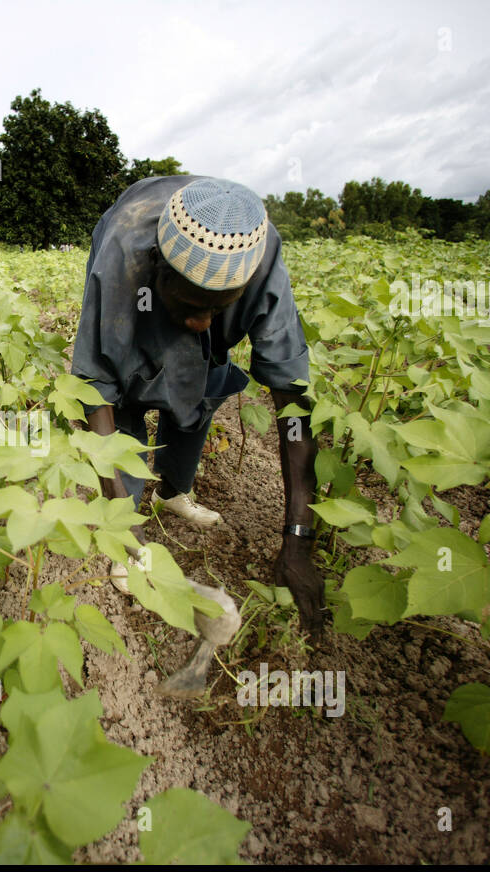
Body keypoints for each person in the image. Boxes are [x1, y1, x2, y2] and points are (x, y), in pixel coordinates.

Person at [70, 176, 327, 635]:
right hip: (131, 267)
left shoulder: (259, 257)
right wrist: (128, 535)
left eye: (217, 309)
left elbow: (294, 406)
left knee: (202, 383)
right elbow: (96, 392)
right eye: (191, 304)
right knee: (123, 405)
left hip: (199, 310)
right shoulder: (122, 254)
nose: (201, 320)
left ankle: (172, 492)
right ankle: (124, 526)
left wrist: (298, 541)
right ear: (157, 267)